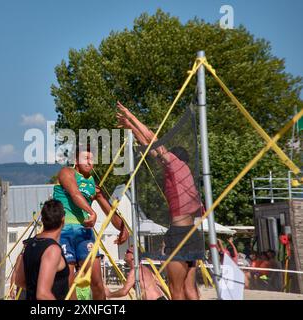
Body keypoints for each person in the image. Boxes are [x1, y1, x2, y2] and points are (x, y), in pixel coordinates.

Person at [116, 102, 204, 300]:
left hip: (180, 234)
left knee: (177, 291)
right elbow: (150, 148)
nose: (160, 159)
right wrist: (130, 128)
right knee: (191, 290)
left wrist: (130, 116)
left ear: (175, 157)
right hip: (193, 235)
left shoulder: (175, 165)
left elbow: (152, 139)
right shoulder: (185, 176)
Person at [53, 143, 129, 300]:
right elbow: (74, 194)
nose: (89, 162)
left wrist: (123, 227)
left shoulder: (93, 185)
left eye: (92, 159)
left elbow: (110, 211)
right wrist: (91, 212)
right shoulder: (67, 172)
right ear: (76, 160)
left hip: (84, 234)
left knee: (97, 283)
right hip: (64, 232)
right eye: (85, 158)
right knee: (68, 283)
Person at [14, 199, 69, 300]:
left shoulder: (29, 244)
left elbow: (18, 280)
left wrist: (35, 289)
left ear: (43, 220)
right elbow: (43, 294)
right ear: (63, 220)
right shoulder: (52, 249)